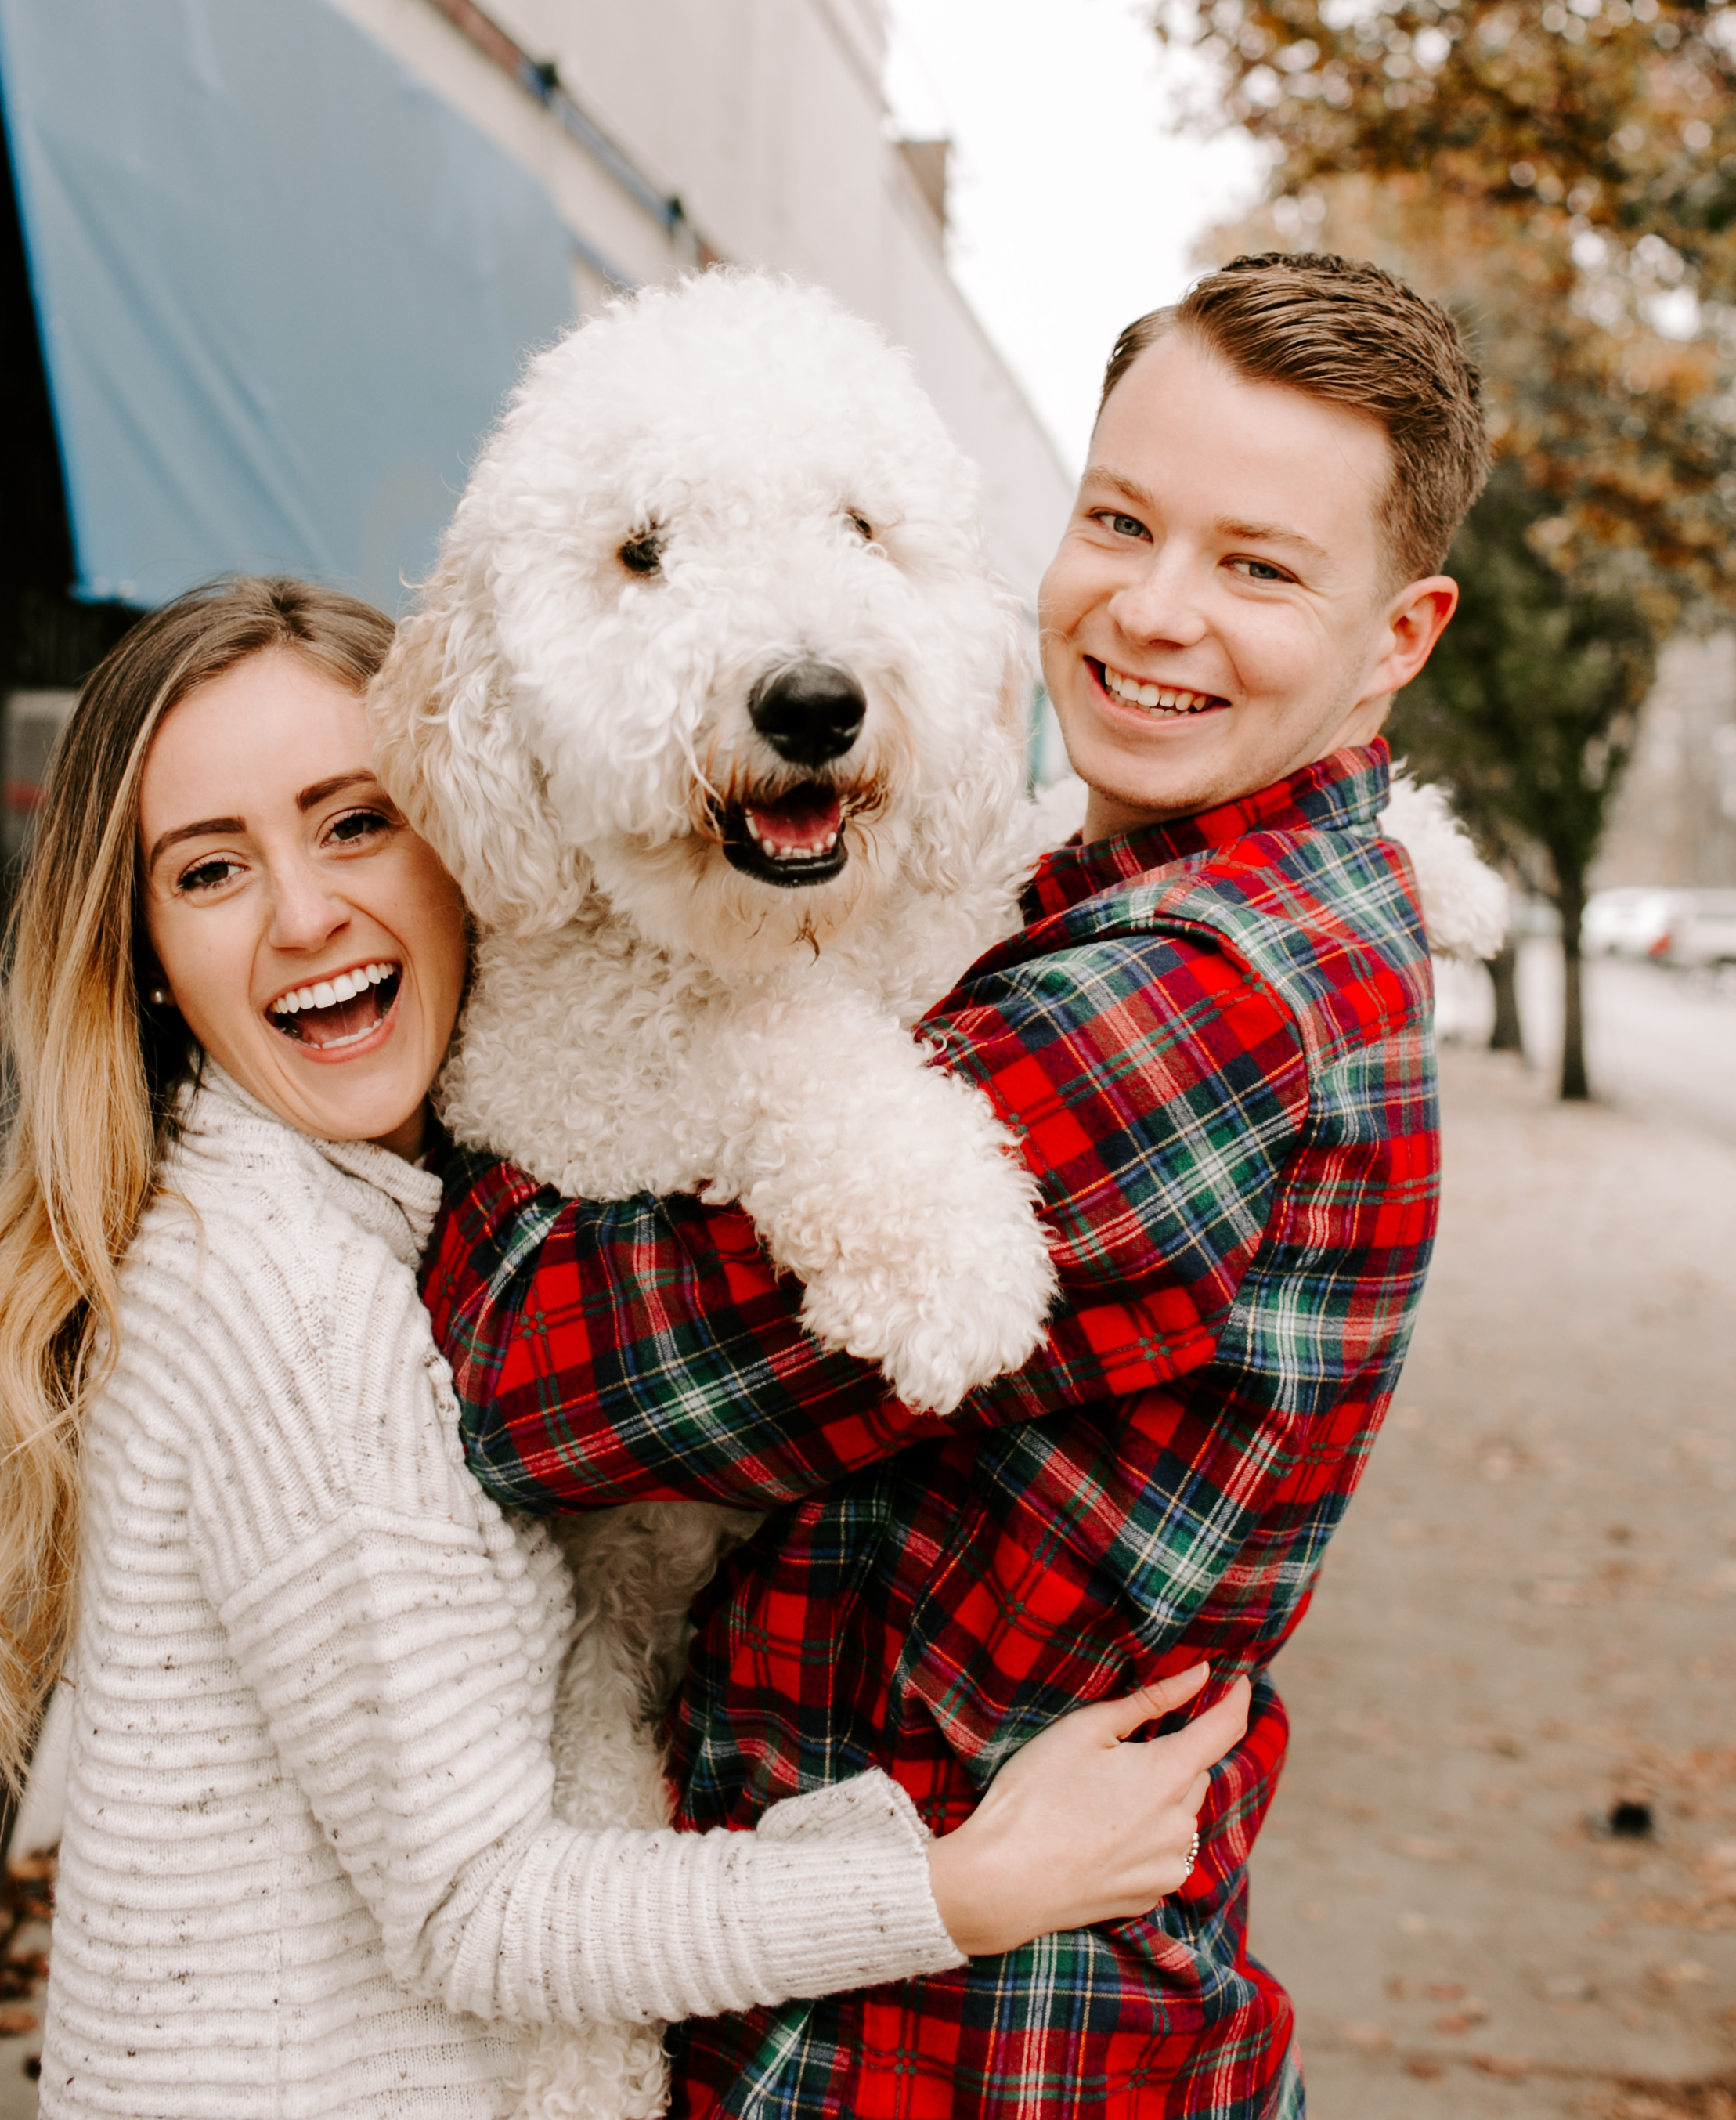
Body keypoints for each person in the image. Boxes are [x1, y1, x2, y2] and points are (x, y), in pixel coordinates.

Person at [0, 576, 1247, 2120]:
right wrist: (964, 1884)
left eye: (354, 824)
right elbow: (480, 1911)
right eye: (210, 870)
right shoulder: (282, 1300)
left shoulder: (396, 1223)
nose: (302, 914)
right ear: (146, 949)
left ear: (473, 835)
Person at [424, 251, 1492, 2119]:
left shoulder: (1190, 1004)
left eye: (1256, 566)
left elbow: (539, 1389)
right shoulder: (1165, 895)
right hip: (938, 1986)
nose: (1153, 612)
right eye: (1119, 520)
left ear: (1397, 636)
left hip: (942, 2052)